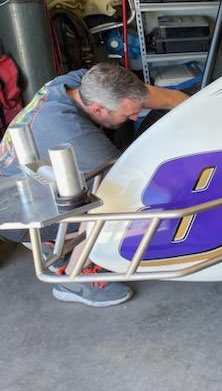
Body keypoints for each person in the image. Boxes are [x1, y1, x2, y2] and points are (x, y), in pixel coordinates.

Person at [0, 62, 188, 307]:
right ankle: (72, 276)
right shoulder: (73, 132)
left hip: (39, 182)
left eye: (137, 109)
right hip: (20, 213)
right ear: (98, 110)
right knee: (121, 201)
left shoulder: (87, 81)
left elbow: (171, 99)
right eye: (128, 114)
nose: (134, 117)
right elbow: (128, 189)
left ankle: (61, 247)